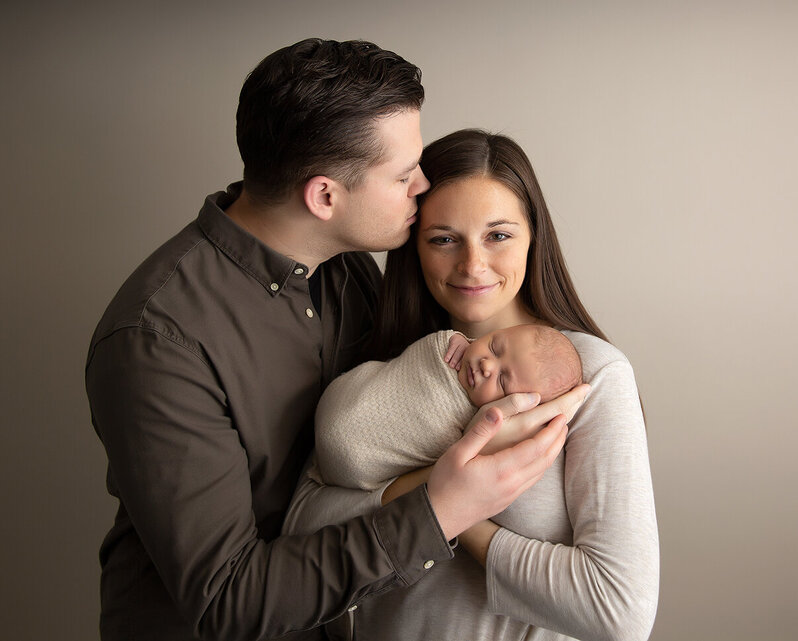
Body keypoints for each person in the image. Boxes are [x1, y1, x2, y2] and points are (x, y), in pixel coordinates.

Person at [84, 40, 588, 641]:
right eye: (404, 175)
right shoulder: (157, 339)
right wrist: (442, 509)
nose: (423, 185)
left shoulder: (349, 272)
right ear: (324, 196)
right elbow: (227, 601)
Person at [283, 129, 660, 641]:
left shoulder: (592, 377)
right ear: (414, 247)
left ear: (534, 236)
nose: (472, 265)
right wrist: (440, 490)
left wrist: (457, 510)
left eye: (498, 235)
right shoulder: (395, 366)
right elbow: (301, 529)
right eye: (443, 239)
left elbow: (619, 613)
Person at [314, 324, 582, 491]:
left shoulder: (483, 425)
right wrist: (456, 338)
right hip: (340, 399)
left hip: (356, 465)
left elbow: (469, 449)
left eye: (502, 381)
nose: (487, 364)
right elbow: (429, 351)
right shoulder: (454, 349)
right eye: (494, 346)